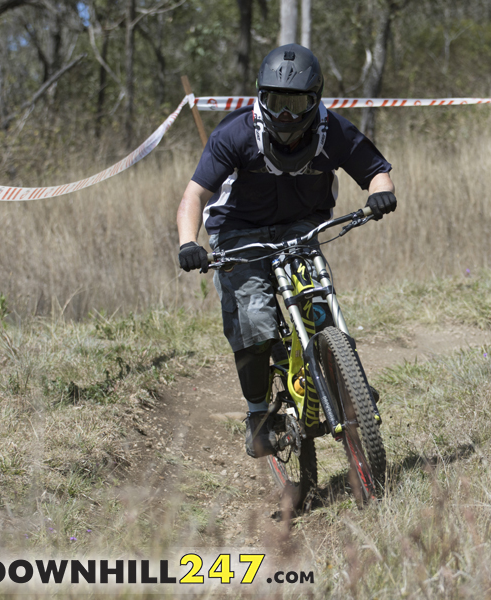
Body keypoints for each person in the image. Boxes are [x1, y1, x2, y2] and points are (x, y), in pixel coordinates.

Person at [175, 44, 396, 458]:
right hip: (240, 231)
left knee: (317, 291)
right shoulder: (236, 134)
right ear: (262, 97)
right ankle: (258, 417)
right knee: (255, 319)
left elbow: (376, 172)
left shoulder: (334, 131)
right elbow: (194, 196)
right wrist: (190, 242)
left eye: (296, 103)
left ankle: (346, 375)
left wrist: (381, 195)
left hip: (301, 223)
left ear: (315, 100)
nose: (286, 116)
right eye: (277, 102)